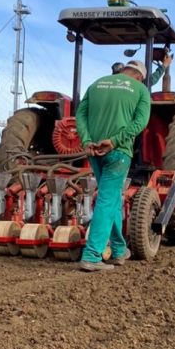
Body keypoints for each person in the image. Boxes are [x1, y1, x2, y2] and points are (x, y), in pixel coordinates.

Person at [75, 60, 151, 271]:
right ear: (139, 76)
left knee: (112, 199)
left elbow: (80, 115)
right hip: (117, 152)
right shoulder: (140, 90)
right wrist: (116, 140)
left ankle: (118, 250)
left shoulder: (97, 84)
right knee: (108, 201)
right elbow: (140, 123)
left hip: (94, 151)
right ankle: (91, 255)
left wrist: (86, 140)